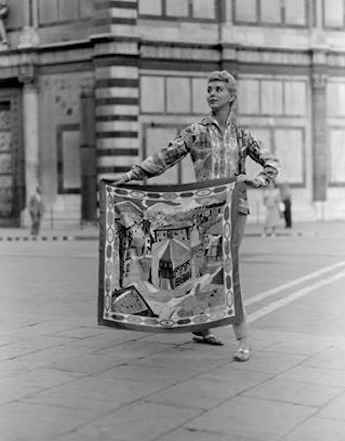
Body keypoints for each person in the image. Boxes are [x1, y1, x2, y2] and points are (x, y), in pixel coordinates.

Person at [112, 70, 279, 362]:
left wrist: (257, 180)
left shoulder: (242, 136)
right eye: (209, 89)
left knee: (227, 269)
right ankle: (201, 328)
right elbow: (164, 157)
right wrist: (131, 175)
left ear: (231, 96)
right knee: (203, 270)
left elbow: (271, 161)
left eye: (218, 89)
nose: (211, 93)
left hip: (235, 209)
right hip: (204, 213)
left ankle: (243, 338)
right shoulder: (196, 132)